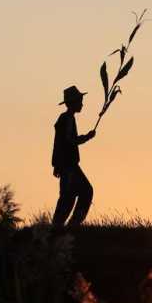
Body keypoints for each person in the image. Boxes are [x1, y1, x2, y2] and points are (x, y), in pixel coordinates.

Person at [51, 85, 96, 231]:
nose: (82, 104)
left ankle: (63, 227)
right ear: (73, 103)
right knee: (80, 193)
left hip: (66, 164)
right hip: (68, 165)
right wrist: (87, 137)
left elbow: (59, 143)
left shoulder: (66, 119)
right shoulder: (67, 119)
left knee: (70, 196)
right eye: (80, 101)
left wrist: (56, 164)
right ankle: (69, 226)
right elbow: (68, 140)